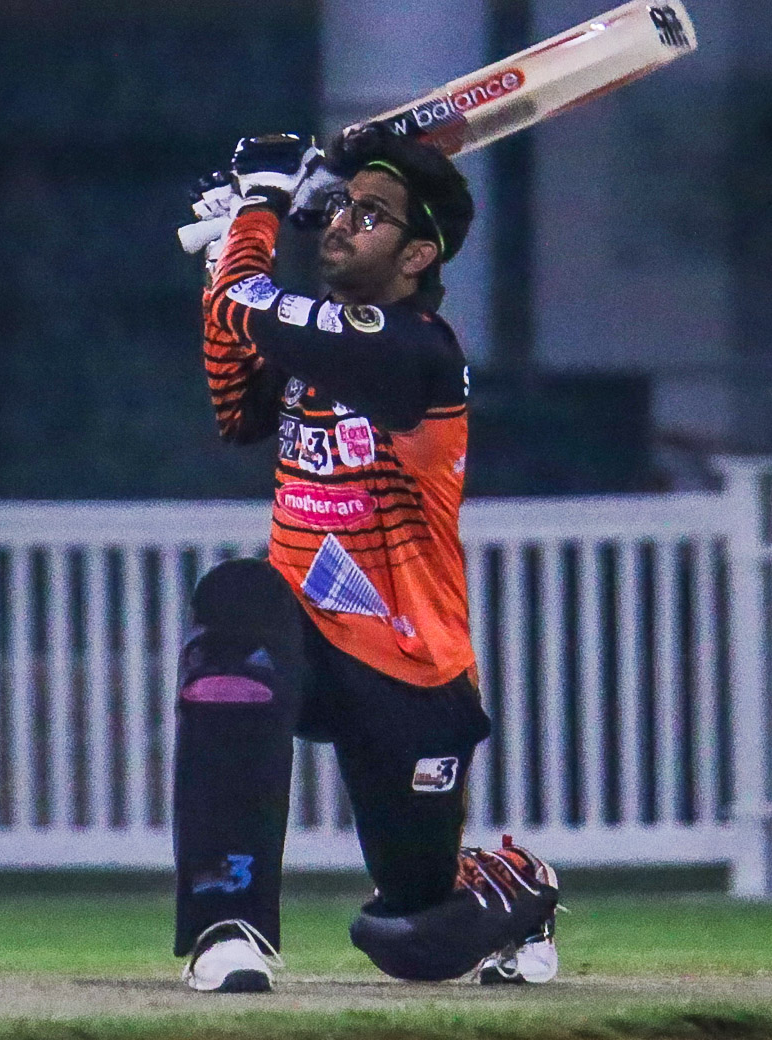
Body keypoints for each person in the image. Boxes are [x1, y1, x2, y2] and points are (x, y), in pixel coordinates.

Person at [174, 126, 559, 992]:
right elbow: (236, 404)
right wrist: (231, 251)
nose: (345, 223)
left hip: (411, 666)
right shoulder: (315, 342)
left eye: (372, 216)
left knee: (412, 933)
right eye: (344, 206)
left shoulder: (418, 351)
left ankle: (516, 887)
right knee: (235, 605)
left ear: (419, 255)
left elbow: (251, 306)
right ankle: (228, 928)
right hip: (305, 634)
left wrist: (256, 211)